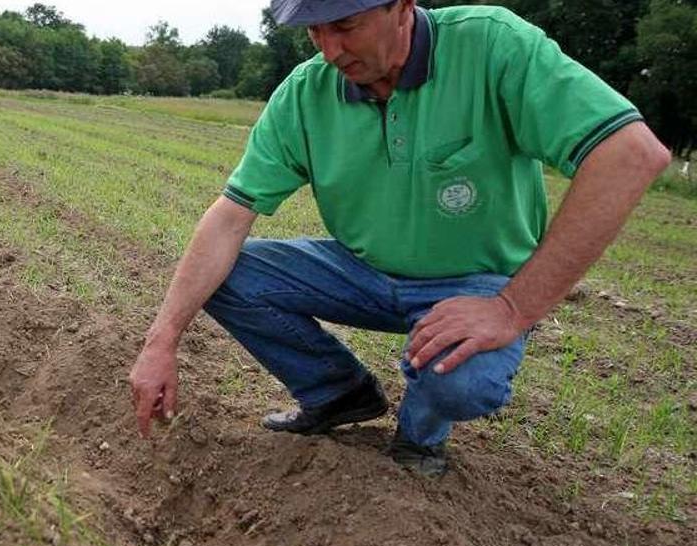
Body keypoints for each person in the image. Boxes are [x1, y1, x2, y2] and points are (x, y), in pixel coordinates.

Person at [128, 0, 671, 477]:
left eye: (344, 24)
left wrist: (509, 307)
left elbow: (630, 154)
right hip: (361, 271)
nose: (329, 50)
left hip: (473, 282)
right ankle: (339, 395)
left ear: (403, 5)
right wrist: (161, 342)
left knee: (460, 383)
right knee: (228, 277)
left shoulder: (492, 47)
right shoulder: (304, 95)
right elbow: (230, 215)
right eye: (314, 30)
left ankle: (419, 435)